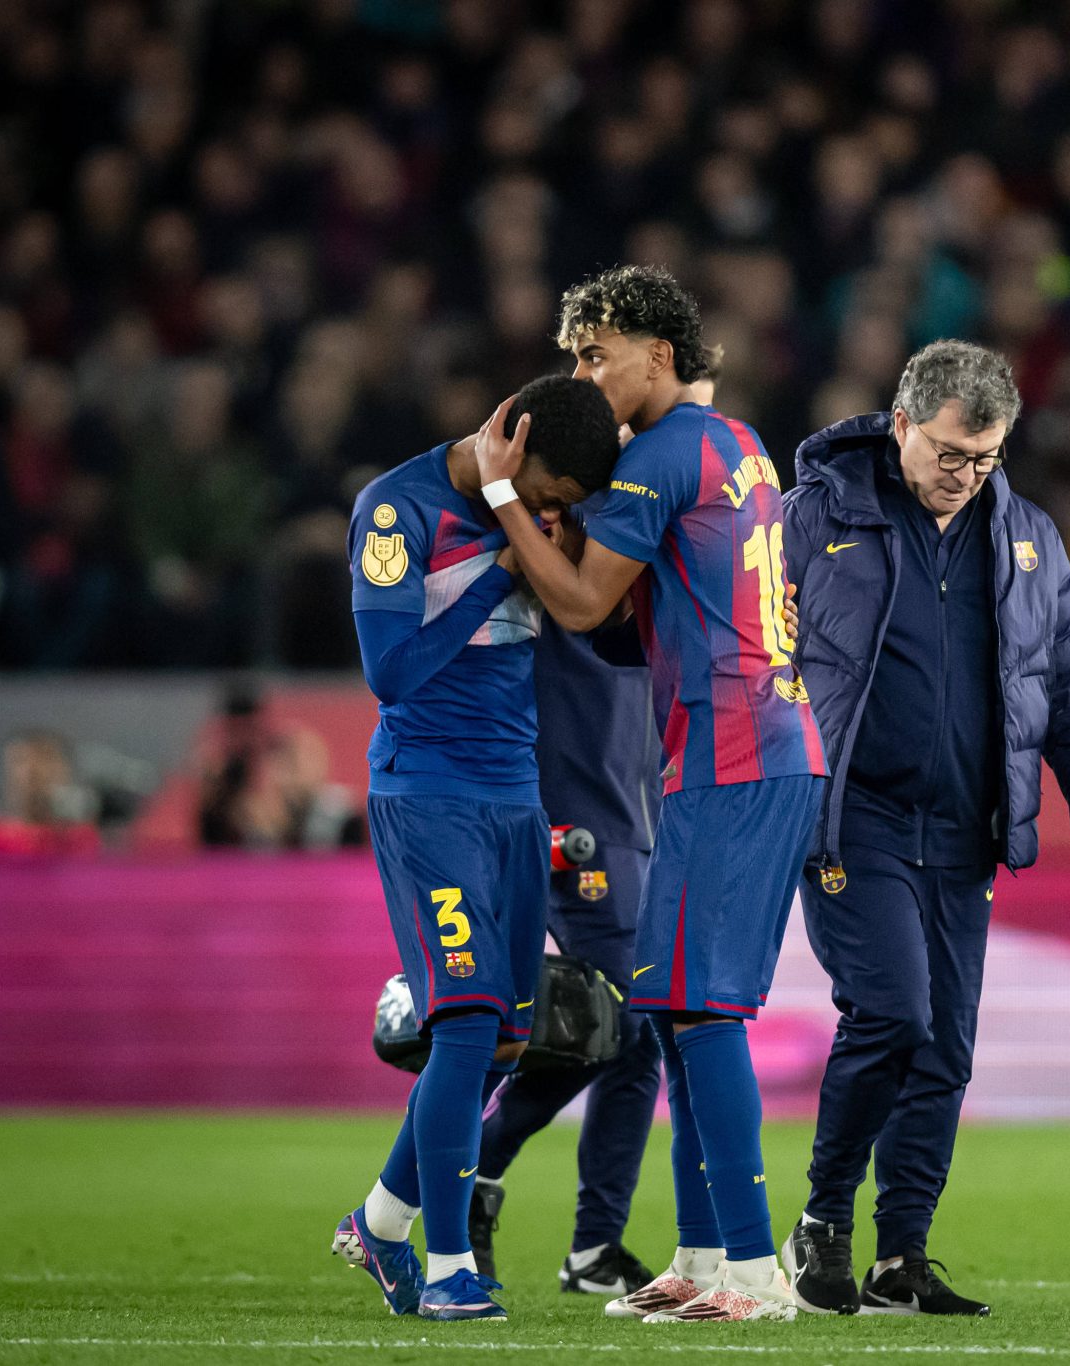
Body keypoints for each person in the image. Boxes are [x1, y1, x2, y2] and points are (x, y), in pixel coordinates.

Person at [475, 264, 826, 1325]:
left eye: (597, 354)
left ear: (659, 355)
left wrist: (502, 495)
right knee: (672, 1014)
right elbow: (644, 623)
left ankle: (756, 1277)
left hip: (736, 755)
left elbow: (583, 604)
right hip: (738, 748)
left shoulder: (665, 454)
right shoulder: (733, 443)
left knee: (704, 1013)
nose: (582, 375)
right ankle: (699, 1251)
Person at [775, 340, 1070, 1318]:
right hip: (855, 817)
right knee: (892, 1013)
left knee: (943, 1050)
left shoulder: (1025, 538)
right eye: (945, 453)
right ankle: (821, 1222)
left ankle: (901, 1257)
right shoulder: (815, 516)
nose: (962, 475)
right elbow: (749, 649)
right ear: (899, 423)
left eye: (981, 458)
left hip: (966, 826)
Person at [329, 374, 621, 1323]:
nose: (549, 517)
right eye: (548, 495)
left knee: (503, 1041)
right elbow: (391, 672)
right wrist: (500, 570)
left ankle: (379, 1221)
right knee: (461, 1023)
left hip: (514, 800)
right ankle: (449, 1265)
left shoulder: (529, 517)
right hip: (427, 797)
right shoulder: (396, 508)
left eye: (563, 511)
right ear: (515, 437)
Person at [467, 356, 724, 1299]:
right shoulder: (559, 534)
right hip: (576, 813)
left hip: (633, 806)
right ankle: (473, 1179)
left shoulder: (644, 519)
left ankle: (589, 1247)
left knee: (634, 1033)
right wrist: (511, 502)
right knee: (618, 1018)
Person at [0, 729, 101, 858]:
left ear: (66, 769)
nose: (31, 771)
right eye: (20, 760)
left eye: (45, 759)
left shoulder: (86, 835)